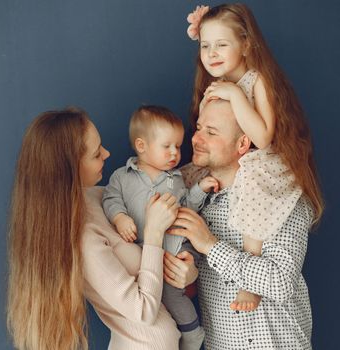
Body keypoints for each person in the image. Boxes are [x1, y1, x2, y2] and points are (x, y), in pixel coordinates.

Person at [6, 108, 198, 350]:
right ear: (71, 169)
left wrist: (189, 273)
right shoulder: (82, 237)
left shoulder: (100, 197)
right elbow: (143, 311)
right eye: (97, 154)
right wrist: (153, 235)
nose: (107, 153)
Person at [184, 3, 324, 311]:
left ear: (246, 44)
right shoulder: (212, 86)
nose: (212, 53)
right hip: (239, 164)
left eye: (222, 44)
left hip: (261, 161)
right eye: (206, 46)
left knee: (251, 200)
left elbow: (262, 137)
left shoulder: (254, 80)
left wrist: (234, 95)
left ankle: (251, 282)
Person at [169, 99, 323, 349]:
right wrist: (189, 274)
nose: (196, 139)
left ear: (242, 143)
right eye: (198, 128)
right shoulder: (196, 199)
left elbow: (280, 282)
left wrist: (210, 245)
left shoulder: (280, 195)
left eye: (211, 132)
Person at [102, 105, 217, 349]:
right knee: (162, 297)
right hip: (149, 254)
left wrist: (199, 189)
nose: (175, 153)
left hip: (177, 247)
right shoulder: (122, 177)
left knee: (175, 292)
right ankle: (185, 332)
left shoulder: (176, 179)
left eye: (178, 146)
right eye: (167, 147)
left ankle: (192, 333)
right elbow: (110, 200)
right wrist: (120, 218)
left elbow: (187, 206)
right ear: (142, 146)